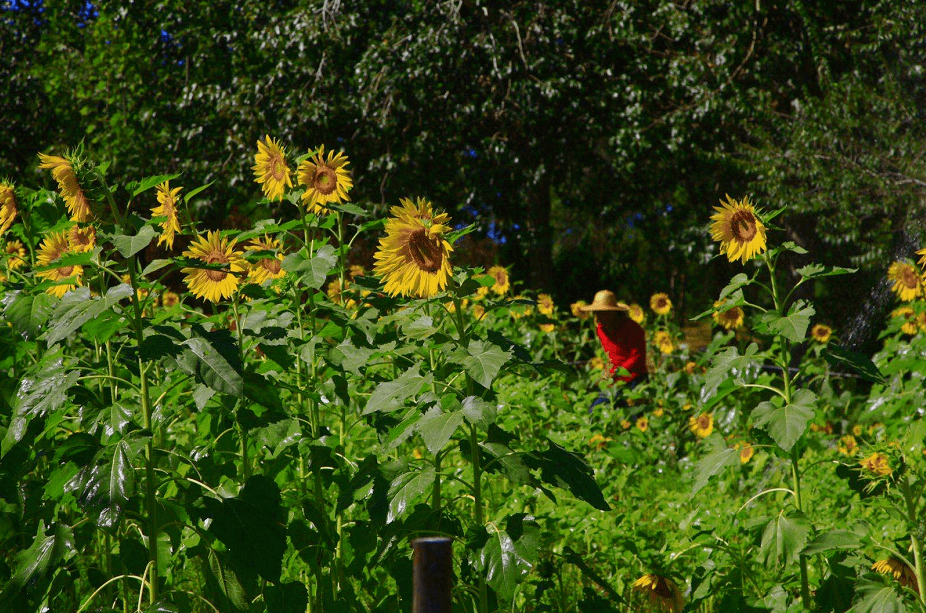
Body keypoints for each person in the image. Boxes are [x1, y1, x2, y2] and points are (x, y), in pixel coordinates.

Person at [581, 290, 648, 407]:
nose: (598, 316)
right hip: (613, 381)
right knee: (595, 410)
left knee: (632, 417)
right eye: (596, 312)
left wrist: (617, 372)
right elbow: (610, 355)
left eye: (602, 312)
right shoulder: (600, 329)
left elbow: (637, 357)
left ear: (613, 312)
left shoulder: (633, 329)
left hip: (634, 379)